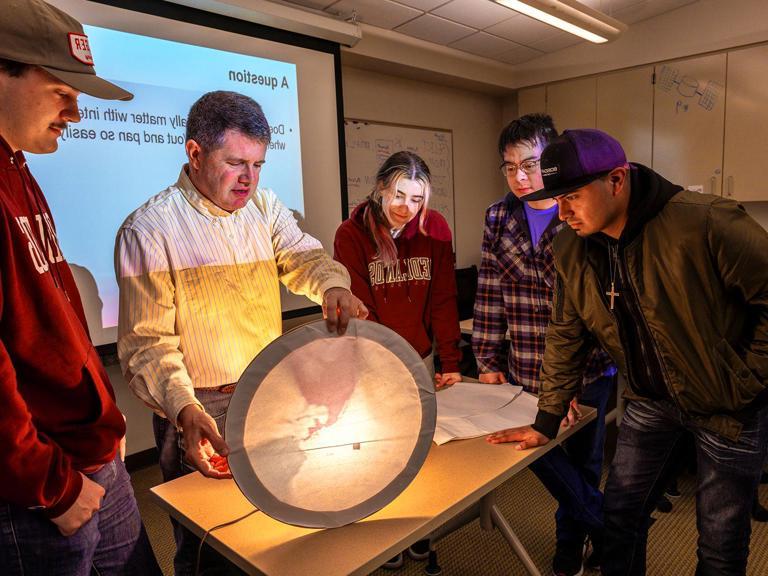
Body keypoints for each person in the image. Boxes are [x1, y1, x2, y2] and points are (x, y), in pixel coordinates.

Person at [488, 128, 768, 576]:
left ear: (616, 181)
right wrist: (547, 417)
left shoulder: (705, 222)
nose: (563, 213)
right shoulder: (571, 247)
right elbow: (566, 332)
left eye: (573, 197)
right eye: (556, 199)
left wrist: (747, 379)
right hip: (648, 401)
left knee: (720, 544)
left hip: (728, 407)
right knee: (619, 520)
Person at [116, 90, 365, 575]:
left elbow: (305, 257)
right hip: (198, 407)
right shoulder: (148, 230)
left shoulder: (264, 209)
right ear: (194, 154)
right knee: (211, 545)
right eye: (235, 163)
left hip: (267, 394)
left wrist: (332, 285)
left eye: (258, 164)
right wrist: (184, 407)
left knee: (274, 527)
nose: (249, 178)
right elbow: (148, 345)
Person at [0, 1, 161, 574]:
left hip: (91, 452)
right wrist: (51, 486)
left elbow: (52, 323)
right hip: (44, 486)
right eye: (60, 91)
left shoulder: (18, 168)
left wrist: (104, 417)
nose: (75, 111)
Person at [473, 114, 616, 576]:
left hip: (588, 370)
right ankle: (610, 530)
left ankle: (568, 555)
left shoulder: (580, 212)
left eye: (530, 164)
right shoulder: (498, 217)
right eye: (510, 167)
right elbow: (490, 289)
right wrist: (487, 360)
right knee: (542, 460)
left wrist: (567, 386)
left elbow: (596, 310)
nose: (519, 177)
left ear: (551, 159)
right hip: (524, 369)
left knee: (584, 463)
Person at [333, 151, 462, 567]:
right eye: (399, 196)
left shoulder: (435, 229)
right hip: (373, 361)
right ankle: (386, 535)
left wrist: (452, 361)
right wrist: (382, 366)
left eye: (418, 199)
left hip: (421, 356)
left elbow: (443, 297)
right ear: (380, 189)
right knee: (380, 452)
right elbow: (359, 309)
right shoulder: (351, 235)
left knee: (421, 450)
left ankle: (421, 531)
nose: (408, 208)